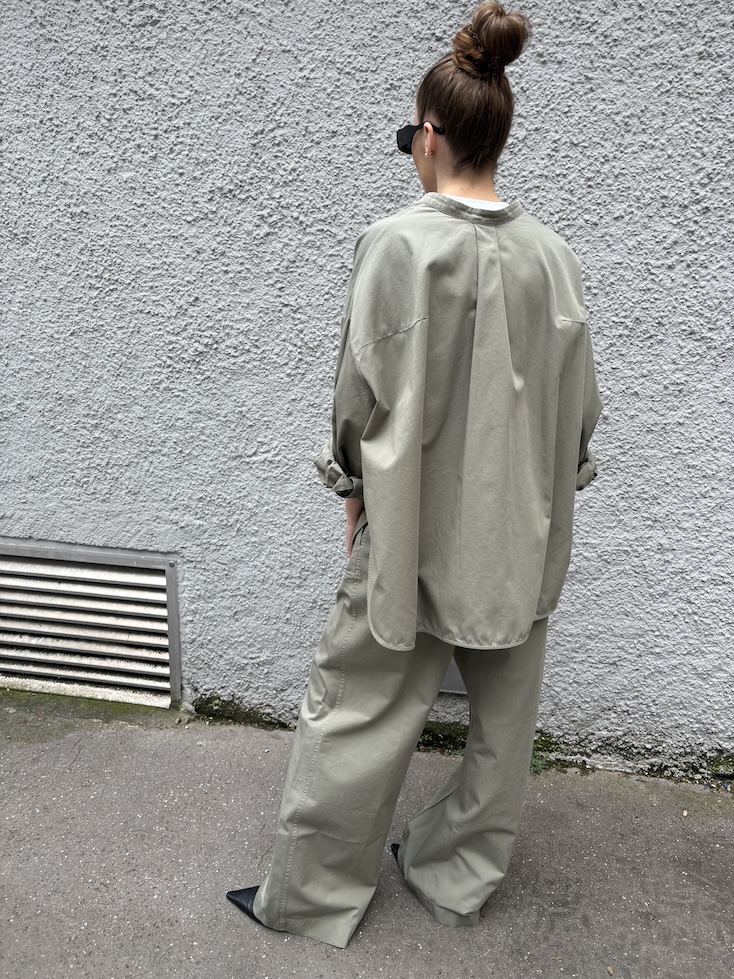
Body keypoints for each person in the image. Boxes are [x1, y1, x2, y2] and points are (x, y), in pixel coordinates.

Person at [227, 1, 602, 949]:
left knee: (357, 704)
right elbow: (579, 410)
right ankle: (454, 875)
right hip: (518, 531)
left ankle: (313, 896)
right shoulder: (555, 259)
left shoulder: (396, 243)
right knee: (504, 722)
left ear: (430, 135)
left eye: (410, 137)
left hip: (410, 521)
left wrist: (351, 486)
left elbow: (359, 392)